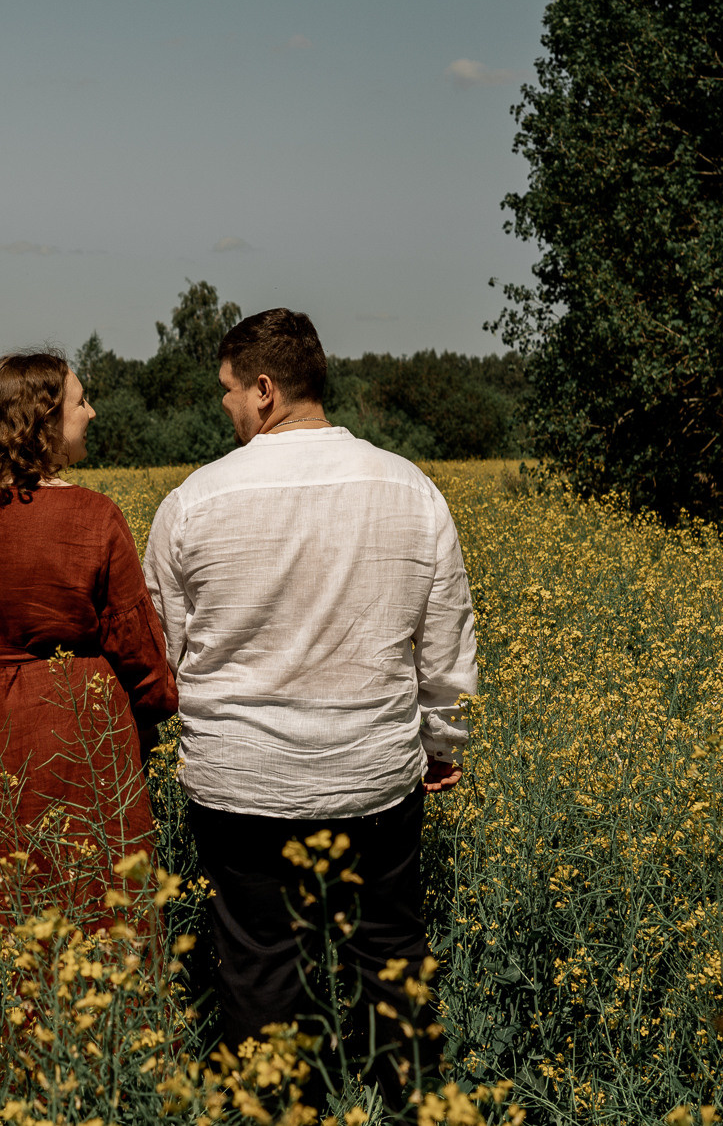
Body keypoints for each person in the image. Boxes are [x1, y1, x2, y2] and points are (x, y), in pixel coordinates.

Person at [142, 308, 478, 1116]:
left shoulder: (192, 502)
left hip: (241, 787)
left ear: (265, 389)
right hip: (374, 777)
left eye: (227, 390)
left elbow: (170, 651)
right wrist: (440, 741)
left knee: (258, 971)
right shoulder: (410, 488)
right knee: (388, 956)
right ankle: (410, 1107)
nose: (223, 407)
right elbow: (444, 641)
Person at [0, 351, 178, 930]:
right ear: (42, 421)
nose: (91, 413)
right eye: (79, 401)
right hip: (75, 734)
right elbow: (140, 650)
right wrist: (151, 716)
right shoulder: (94, 517)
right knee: (93, 906)